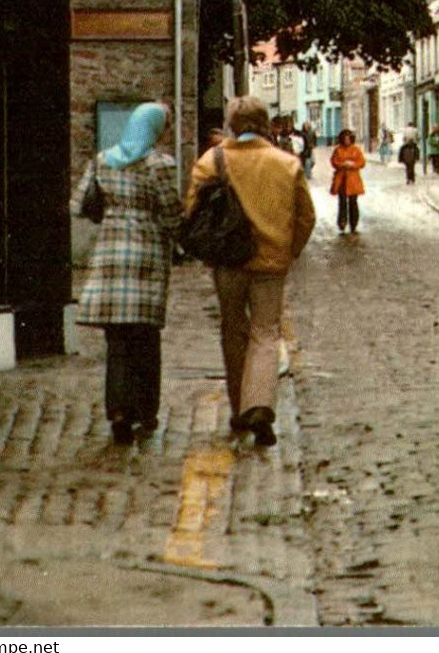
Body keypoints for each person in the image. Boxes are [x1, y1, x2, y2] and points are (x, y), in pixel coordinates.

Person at [186, 96, 315, 447]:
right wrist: (290, 250)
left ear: (232, 124)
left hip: (228, 262)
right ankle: (259, 403)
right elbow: (306, 217)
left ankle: (240, 408)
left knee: (233, 330)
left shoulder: (211, 162)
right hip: (271, 262)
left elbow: (192, 211)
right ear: (265, 124)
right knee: (266, 332)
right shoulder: (286, 164)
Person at [69, 102, 183, 445]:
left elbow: (77, 204)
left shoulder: (103, 160)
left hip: (110, 253)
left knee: (116, 339)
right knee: (146, 338)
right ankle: (146, 411)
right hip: (146, 255)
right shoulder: (159, 165)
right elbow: (171, 212)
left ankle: (118, 411)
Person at [330, 128, 368, 233]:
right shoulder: (338, 150)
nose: (347, 141)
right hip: (341, 179)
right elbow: (333, 161)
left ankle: (353, 223)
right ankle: (342, 222)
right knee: (342, 202)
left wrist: (353, 164)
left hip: (353, 180)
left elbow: (362, 162)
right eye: (345, 139)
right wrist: (342, 164)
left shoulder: (356, 149)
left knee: (353, 202)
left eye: (348, 139)